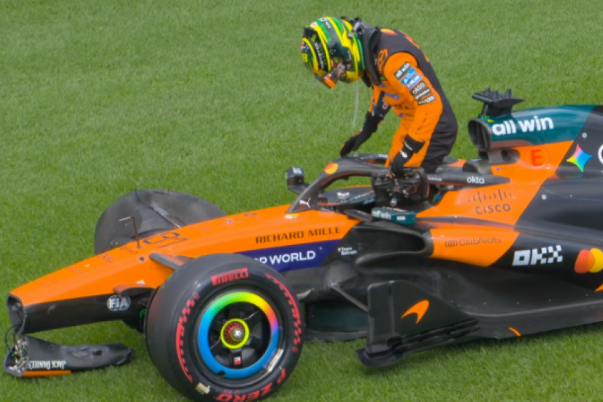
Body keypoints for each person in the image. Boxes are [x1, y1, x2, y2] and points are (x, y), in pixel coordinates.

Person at [301, 16, 457, 175]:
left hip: (433, 128)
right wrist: (368, 127)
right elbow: (385, 86)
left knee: (403, 183)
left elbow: (429, 103)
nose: (341, 75)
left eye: (338, 69)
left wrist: (408, 150)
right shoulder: (373, 48)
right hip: (413, 121)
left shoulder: (393, 61)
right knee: (390, 178)